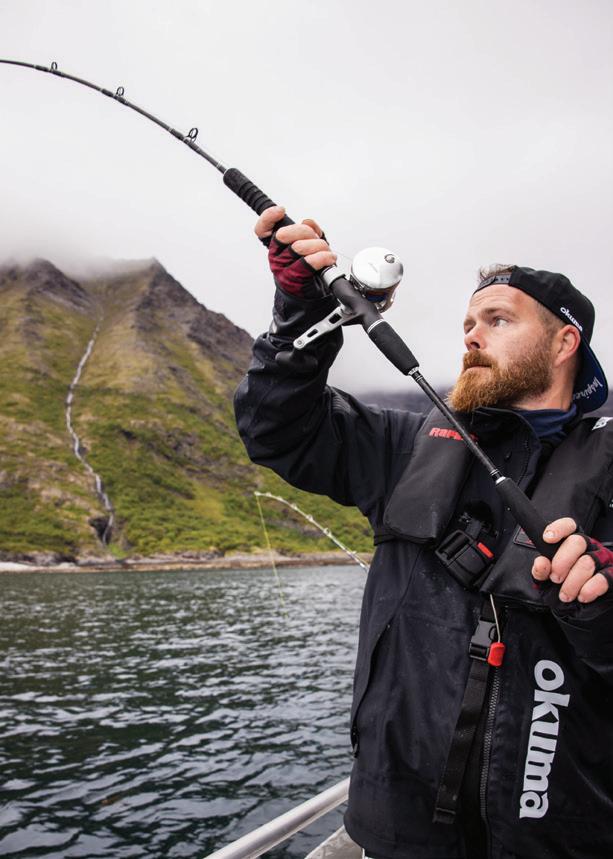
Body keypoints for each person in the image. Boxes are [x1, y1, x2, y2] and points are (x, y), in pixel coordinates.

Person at [233, 207, 613, 859]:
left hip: (559, 839)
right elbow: (277, 429)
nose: (471, 336)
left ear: (564, 342)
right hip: (397, 832)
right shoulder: (402, 444)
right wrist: (299, 313)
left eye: (497, 320)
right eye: (466, 323)